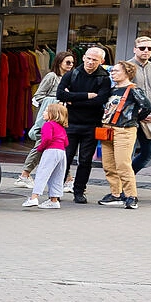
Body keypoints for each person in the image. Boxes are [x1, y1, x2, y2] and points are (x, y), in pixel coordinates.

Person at [56, 46, 112, 203]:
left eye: (95, 60)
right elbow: (60, 94)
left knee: (86, 160)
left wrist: (73, 99)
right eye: (88, 58)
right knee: (65, 158)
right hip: (70, 124)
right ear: (83, 58)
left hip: (92, 125)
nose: (90, 62)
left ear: (102, 61)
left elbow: (100, 101)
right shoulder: (72, 74)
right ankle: (56, 190)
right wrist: (86, 96)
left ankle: (79, 191)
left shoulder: (104, 78)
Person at [97, 59, 151, 209]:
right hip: (107, 129)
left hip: (124, 130)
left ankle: (131, 196)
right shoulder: (112, 90)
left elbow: (147, 107)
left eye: (116, 70)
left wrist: (134, 119)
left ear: (127, 73)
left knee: (123, 164)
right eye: (112, 70)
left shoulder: (133, 89)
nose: (112, 73)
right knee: (108, 165)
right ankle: (116, 194)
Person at [19, 52, 76, 185]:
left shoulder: (71, 78)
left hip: (61, 118)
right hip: (50, 118)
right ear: (59, 62)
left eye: (72, 63)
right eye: (68, 62)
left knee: (59, 146)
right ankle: (24, 174)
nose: (71, 65)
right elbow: (38, 96)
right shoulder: (52, 77)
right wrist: (58, 100)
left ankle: (67, 179)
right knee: (42, 144)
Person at [23, 102, 70, 209]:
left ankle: (34, 197)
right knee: (58, 176)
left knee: (42, 173)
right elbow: (66, 142)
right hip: (61, 152)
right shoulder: (61, 127)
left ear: (52, 114)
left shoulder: (48, 125)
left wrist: (40, 148)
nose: (43, 112)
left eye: (46, 111)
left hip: (51, 151)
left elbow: (47, 139)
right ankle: (54, 200)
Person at [129, 36, 151, 173]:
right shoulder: (127, 66)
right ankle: (122, 189)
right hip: (130, 116)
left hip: (149, 117)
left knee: (150, 152)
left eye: (150, 48)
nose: (146, 51)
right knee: (126, 155)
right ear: (135, 49)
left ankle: (128, 178)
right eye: (142, 48)